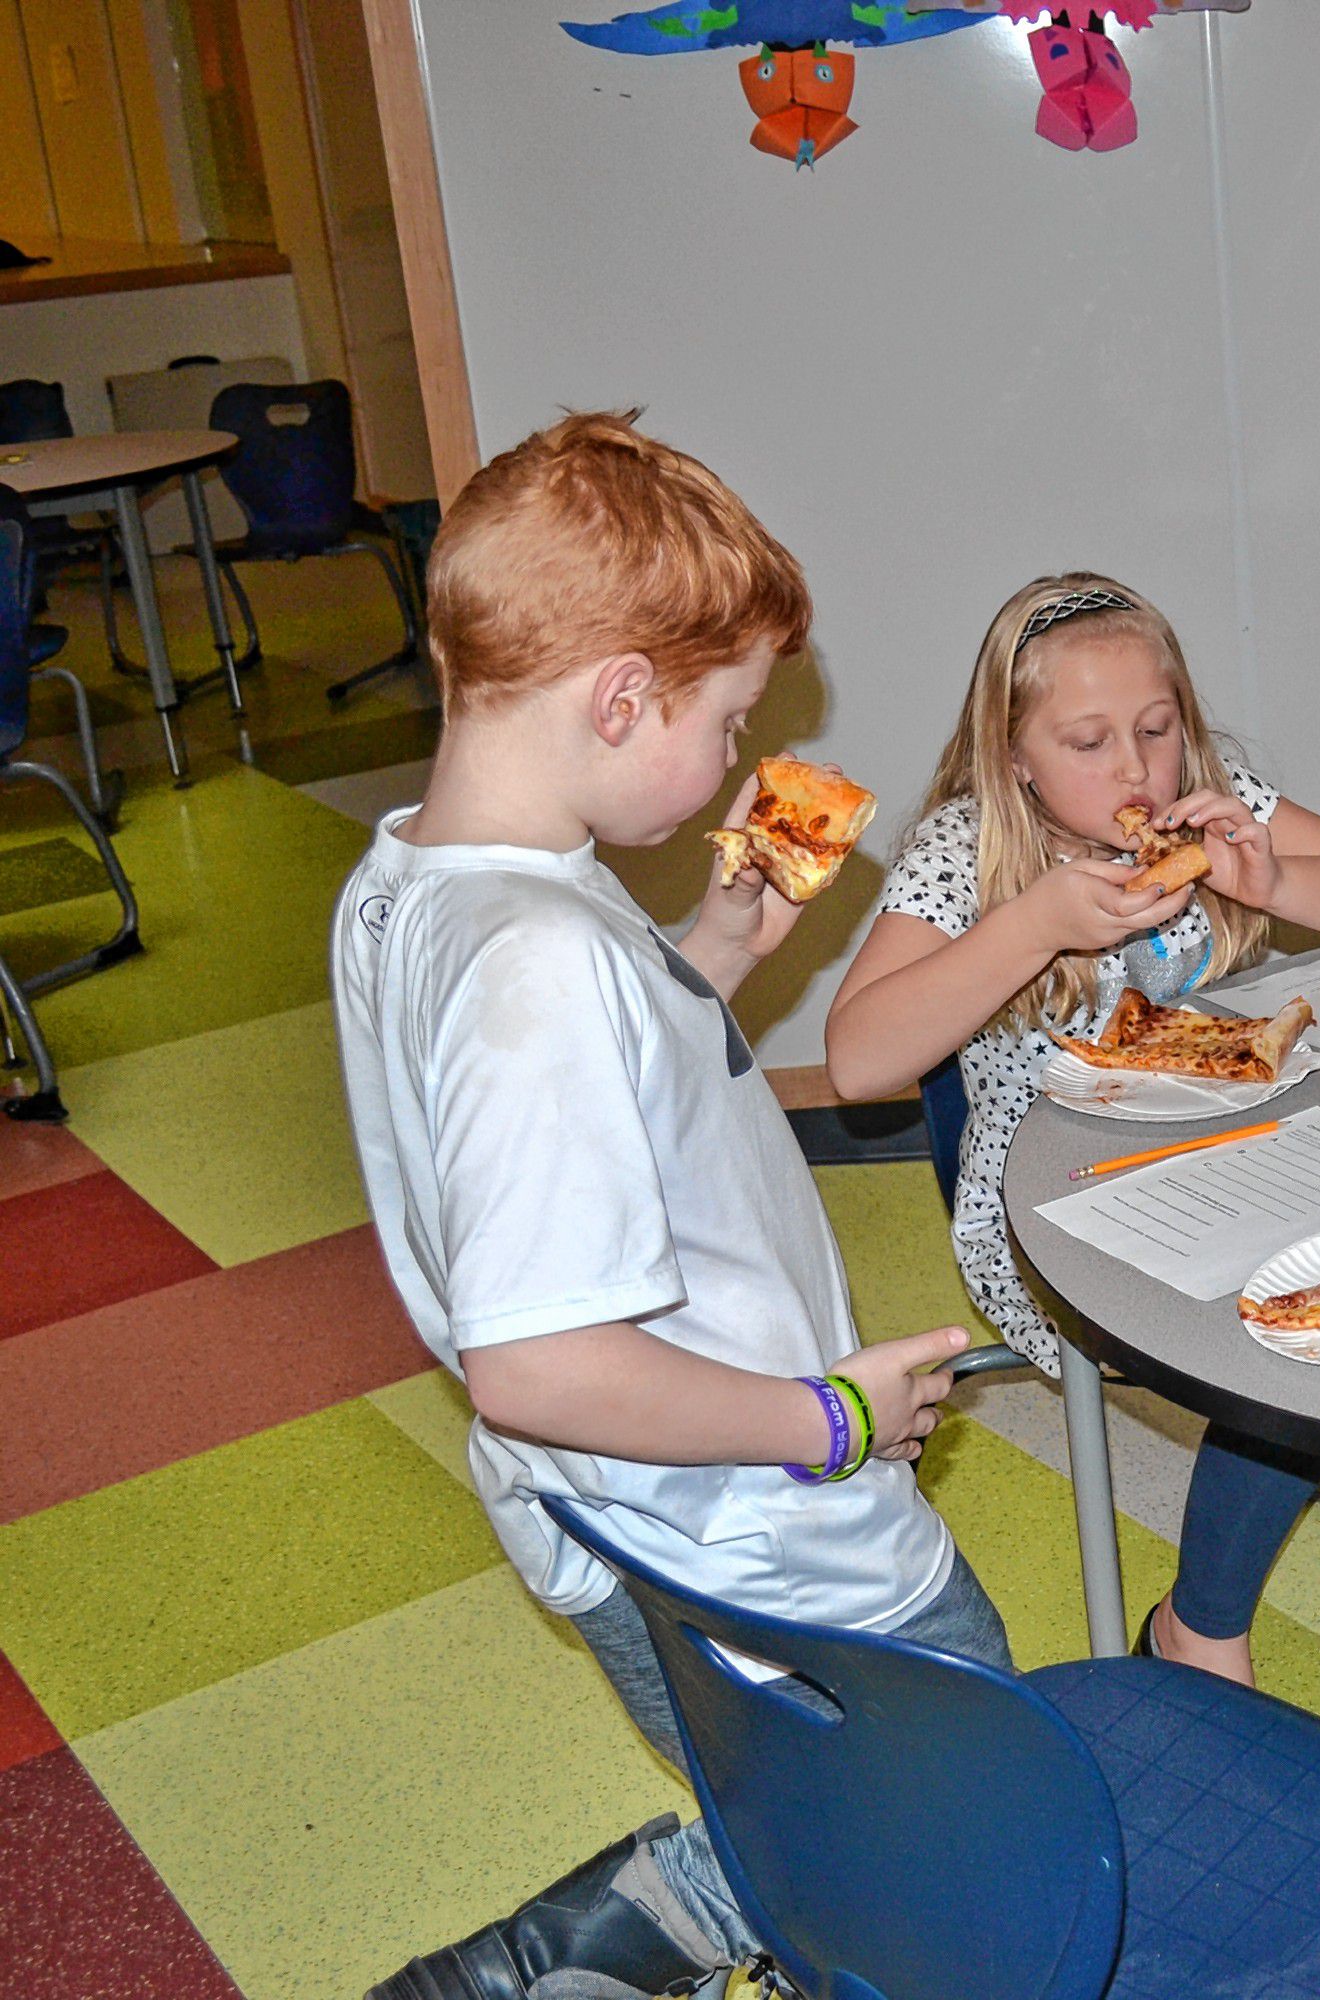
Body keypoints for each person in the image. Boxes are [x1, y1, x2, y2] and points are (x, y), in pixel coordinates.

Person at [333, 411, 994, 2000]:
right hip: (750, 1521)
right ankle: (601, 1952)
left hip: (615, 1515)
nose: (734, 760)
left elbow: (570, 1114)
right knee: (960, 1799)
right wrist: (825, 1420)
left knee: (810, 1810)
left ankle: (609, 1952)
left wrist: (716, 949)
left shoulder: (418, 881)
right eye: (726, 720)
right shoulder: (539, 959)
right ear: (620, 697)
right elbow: (540, 1362)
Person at [823, 572, 1320, 1686]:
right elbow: (857, 1059)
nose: (1134, 769)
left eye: (1156, 727)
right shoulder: (966, 845)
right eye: (1088, 740)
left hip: (1245, 1145)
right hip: (1049, 1205)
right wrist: (1035, 921)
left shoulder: (1215, 800)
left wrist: (1273, 875)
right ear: (1015, 754)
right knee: (1292, 1326)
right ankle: (1200, 1623)